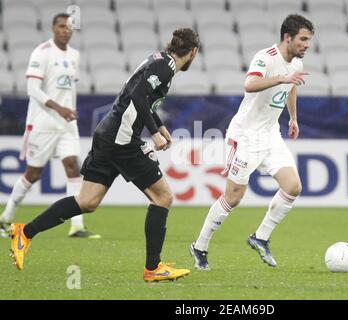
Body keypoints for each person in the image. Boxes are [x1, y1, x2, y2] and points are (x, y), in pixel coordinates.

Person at [9, 28, 200, 282]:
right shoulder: (165, 68)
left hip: (107, 135)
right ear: (193, 52)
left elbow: (141, 98)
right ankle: (153, 268)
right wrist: (154, 133)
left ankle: (25, 232)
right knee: (163, 197)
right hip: (122, 141)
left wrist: (159, 126)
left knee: (87, 201)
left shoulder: (158, 59)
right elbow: (138, 95)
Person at [190, 14, 314, 270]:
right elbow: (249, 84)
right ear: (287, 37)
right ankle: (199, 246)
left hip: (270, 134)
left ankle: (260, 237)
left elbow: (292, 88)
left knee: (293, 187)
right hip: (245, 135)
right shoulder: (266, 57)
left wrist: (293, 118)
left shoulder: (296, 65)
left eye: (309, 40)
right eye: (303, 39)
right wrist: (281, 78)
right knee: (233, 198)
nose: (307, 44)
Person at [0, 13, 100, 239]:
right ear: (53, 28)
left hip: (66, 125)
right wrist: (59, 108)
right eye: (61, 26)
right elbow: (32, 90)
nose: (66, 30)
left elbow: (68, 89)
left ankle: (77, 225)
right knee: (33, 174)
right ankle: (6, 217)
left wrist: (68, 110)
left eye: (69, 27)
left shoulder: (74, 55)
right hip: (43, 123)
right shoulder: (41, 52)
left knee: (73, 165)